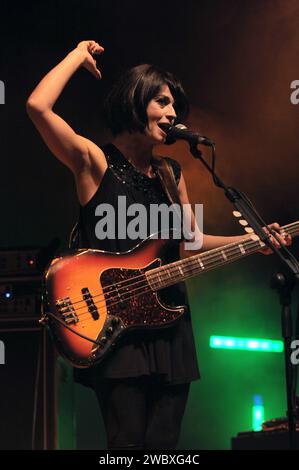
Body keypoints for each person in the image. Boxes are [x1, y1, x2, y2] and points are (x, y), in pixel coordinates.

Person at [26, 40, 291, 450]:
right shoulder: (94, 161)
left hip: (170, 325)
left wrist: (253, 241)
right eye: (162, 102)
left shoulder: (171, 172)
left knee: (165, 447)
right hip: (114, 324)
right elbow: (37, 107)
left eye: (175, 107)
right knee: (128, 444)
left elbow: (192, 238)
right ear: (135, 99)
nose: (172, 114)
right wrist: (78, 56)